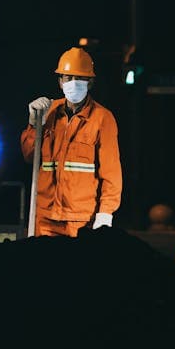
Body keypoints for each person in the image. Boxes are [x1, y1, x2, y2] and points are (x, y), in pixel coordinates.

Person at [21, 47, 121, 237]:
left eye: (80, 78)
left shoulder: (102, 118)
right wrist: (34, 125)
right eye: (68, 78)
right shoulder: (47, 111)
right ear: (60, 82)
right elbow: (28, 156)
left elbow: (111, 173)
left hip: (81, 219)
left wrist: (105, 212)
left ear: (90, 83)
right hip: (45, 216)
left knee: (76, 268)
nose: (73, 83)